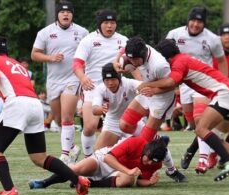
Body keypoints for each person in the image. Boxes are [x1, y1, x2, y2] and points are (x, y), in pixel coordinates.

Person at [0, 35, 90, 195]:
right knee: (39, 157)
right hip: (35, 105)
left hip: (17, 104)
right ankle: (78, 180)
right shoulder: (17, 64)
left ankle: (9, 189)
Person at [139, 39, 229, 185]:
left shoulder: (179, 62)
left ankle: (228, 161)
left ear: (166, 57)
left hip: (224, 95)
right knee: (216, 138)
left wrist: (146, 84)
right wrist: (154, 90)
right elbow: (172, 84)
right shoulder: (183, 59)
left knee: (201, 129)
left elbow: (170, 82)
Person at [114, 37, 187, 182]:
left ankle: (171, 170)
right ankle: (158, 140)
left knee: (144, 144)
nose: (133, 63)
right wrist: (118, 62)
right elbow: (122, 52)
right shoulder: (137, 49)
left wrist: (153, 90)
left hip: (161, 98)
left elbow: (172, 85)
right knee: (125, 125)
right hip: (148, 90)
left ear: (143, 54)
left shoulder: (160, 65)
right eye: (131, 59)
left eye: (135, 60)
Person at [166, 6, 229, 173]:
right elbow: (166, 56)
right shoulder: (175, 34)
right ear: (188, 20)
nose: (195, 24)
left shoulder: (212, 39)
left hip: (204, 82)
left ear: (204, 24)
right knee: (195, 124)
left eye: (199, 22)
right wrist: (170, 82)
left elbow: (222, 61)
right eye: (193, 20)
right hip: (184, 84)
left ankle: (203, 160)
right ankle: (196, 150)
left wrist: (223, 84)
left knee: (201, 119)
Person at [31, 1, 88, 164]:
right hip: (53, 81)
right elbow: (34, 54)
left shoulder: (82, 32)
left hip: (73, 78)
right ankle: (73, 148)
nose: (66, 15)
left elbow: (90, 53)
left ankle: (65, 155)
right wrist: (50, 58)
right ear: (57, 15)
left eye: (69, 12)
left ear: (72, 15)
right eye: (63, 12)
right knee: (57, 118)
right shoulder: (45, 32)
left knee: (67, 117)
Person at [73, 9, 130, 159]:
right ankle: (87, 158)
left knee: (127, 126)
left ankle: (119, 157)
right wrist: (82, 78)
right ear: (100, 24)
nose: (109, 26)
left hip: (118, 88)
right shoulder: (88, 40)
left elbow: (133, 64)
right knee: (90, 126)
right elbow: (77, 64)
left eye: (112, 23)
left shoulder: (123, 40)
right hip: (93, 87)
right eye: (106, 23)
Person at [29, 136, 167, 189]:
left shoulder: (156, 163)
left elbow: (139, 182)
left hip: (117, 171)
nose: (148, 163)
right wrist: (128, 170)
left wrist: (149, 182)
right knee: (77, 169)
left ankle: (89, 184)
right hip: (104, 160)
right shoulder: (136, 142)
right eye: (148, 158)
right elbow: (108, 158)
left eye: (152, 162)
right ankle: (44, 183)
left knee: (128, 180)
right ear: (147, 149)